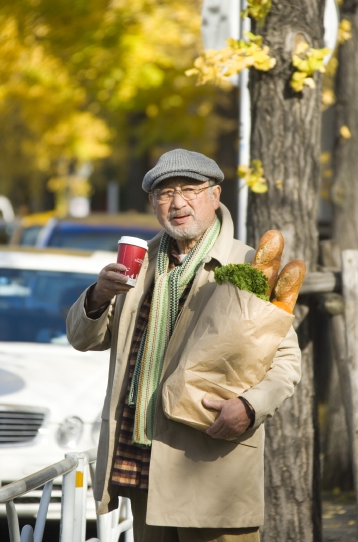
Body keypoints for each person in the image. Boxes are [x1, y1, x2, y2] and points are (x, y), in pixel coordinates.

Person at [67, 149, 301, 542]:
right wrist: (98, 296)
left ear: (215, 195)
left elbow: (287, 361)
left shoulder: (247, 265)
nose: (177, 203)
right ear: (152, 204)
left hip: (211, 462)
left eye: (190, 190)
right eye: (165, 193)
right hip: (142, 457)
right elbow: (83, 339)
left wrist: (249, 406)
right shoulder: (138, 263)